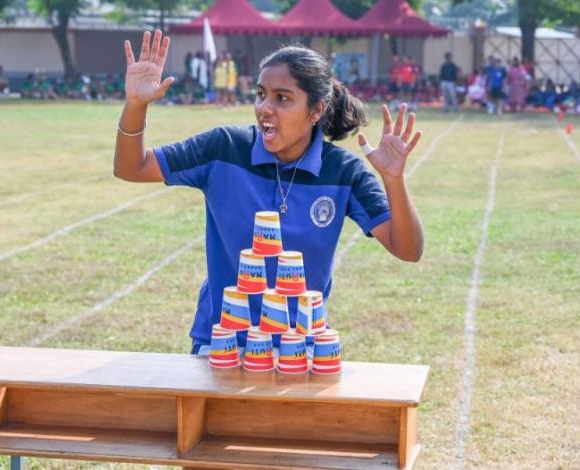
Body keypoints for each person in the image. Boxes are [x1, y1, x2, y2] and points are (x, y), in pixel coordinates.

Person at [114, 30, 424, 354]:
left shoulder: (344, 172)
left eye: (282, 98)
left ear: (316, 110)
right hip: (221, 344)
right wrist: (136, 105)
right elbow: (131, 167)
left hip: (300, 349)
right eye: (260, 94)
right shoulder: (224, 148)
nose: (264, 107)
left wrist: (394, 180)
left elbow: (408, 249)